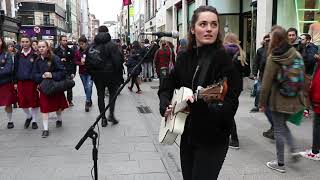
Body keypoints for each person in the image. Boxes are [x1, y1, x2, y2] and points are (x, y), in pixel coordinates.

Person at [158, 6, 240, 179]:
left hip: (213, 138)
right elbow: (167, 84)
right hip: (187, 134)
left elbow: (230, 104)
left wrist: (202, 106)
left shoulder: (224, 60)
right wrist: (165, 103)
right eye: (203, 24)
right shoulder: (184, 57)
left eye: (214, 24)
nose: (209, 28)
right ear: (192, 29)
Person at [259, 26, 303, 173]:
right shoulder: (296, 54)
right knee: (283, 126)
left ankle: (280, 163)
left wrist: (261, 103)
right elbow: (302, 79)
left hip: (278, 100)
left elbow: (266, 84)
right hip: (294, 99)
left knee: (278, 129)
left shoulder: (273, 56)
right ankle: (294, 149)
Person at [32, 40, 69, 138]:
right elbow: (34, 75)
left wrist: (52, 74)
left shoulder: (55, 58)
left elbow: (63, 72)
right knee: (44, 108)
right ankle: (45, 129)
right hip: (44, 87)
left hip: (55, 86)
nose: (41, 49)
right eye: (39, 47)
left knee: (58, 106)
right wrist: (41, 77)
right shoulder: (37, 60)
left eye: (43, 46)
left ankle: (59, 119)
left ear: (47, 47)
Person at [89, 25, 123, 127]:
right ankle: (111, 115)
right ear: (107, 32)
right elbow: (118, 61)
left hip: (97, 75)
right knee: (112, 95)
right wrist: (118, 75)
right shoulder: (112, 45)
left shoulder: (93, 45)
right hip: (111, 75)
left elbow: (88, 61)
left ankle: (103, 118)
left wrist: (93, 73)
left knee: (100, 96)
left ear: (98, 32)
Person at [224, 32, 249, 149]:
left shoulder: (224, 51)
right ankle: (229, 135)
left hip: (226, 86)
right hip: (237, 86)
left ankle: (234, 140)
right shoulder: (241, 52)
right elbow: (247, 71)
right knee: (228, 110)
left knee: (227, 112)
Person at [252, 34, 275, 139]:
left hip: (273, 81)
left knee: (268, 106)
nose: (267, 41)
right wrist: (253, 72)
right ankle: (275, 126)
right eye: (266, 40)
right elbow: (256, 62)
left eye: (269, 40)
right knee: (261, 97)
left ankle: (275, 127)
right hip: (263, 77)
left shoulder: (275, 50)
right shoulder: (261, 50)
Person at [15, 35, 40, 129]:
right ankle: (28, 116)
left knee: (34, 102)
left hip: (32, 82)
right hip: (21, 81)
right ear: (20, 43)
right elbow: (15, 68)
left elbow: (37, 69)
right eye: (23, 42)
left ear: (30, 42)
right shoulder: (18, 55)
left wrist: (37, 81)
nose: (25, 44)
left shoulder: (35, 55)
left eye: (26, 42)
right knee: (22, 102)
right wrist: (15, 82)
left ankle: (34, 120)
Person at [300, 56, 320, 161]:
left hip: (318, 101)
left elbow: (317, 84)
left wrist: (314, 99)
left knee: (317, 125)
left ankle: (315, 152)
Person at [54, 35, 76, 106]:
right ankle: (60, 101)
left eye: (66, 40)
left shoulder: (70, 50)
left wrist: (73, 72)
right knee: (59, 87)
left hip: (68, 71)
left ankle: (70, 101)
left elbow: (73, 62)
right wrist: (60, 60)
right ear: (60, 41)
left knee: (69, 86)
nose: (65, 42)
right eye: (63, 40)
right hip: (59, 71)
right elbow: (53, 62)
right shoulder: (56, 51)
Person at [300, 33, 318, 118]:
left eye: (302, 39)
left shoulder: (312, 47)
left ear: (308, 40)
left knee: (305, 92)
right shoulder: (300, 46)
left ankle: (306, 109)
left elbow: (311, 60)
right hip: (300, 72)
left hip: (307, 73)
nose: (301, 40)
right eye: (300, 39)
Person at [0, 37, 16, 129]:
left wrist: (3, 69)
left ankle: (10, 121)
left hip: (5, 82)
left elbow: (8, 69)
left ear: (2, 42)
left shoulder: (7, 54)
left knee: (8, 103)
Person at [75, 36, 93, 112]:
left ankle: (87, 102)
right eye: (79, 44)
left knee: (89, 86)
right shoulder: (78, 52)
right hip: (82, 72)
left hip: (90, 72)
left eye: (82, 44)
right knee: (86, 88)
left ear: (86, 43)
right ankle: (89, 99)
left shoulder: (90, 50)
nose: (81, 45)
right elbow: (75, 61)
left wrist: (88, 62)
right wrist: (80, 63)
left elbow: (94, 60)